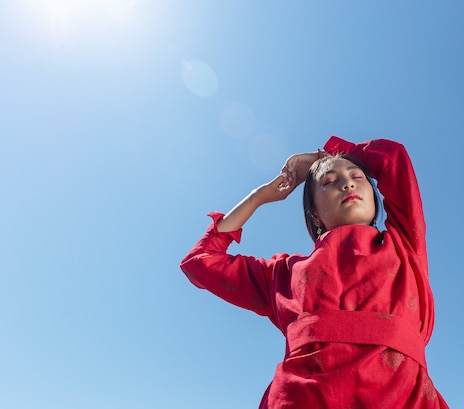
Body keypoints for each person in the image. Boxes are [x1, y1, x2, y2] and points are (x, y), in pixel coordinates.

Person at [180, 136, 449, 409]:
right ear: (315, 215)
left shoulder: (405, 247)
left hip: (404, 399)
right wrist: (259, 197)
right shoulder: (282, 274)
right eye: (329, 181)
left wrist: (324, 157)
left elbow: (393, 157)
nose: (347, 183)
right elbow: (201, 262)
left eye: (357, 176)